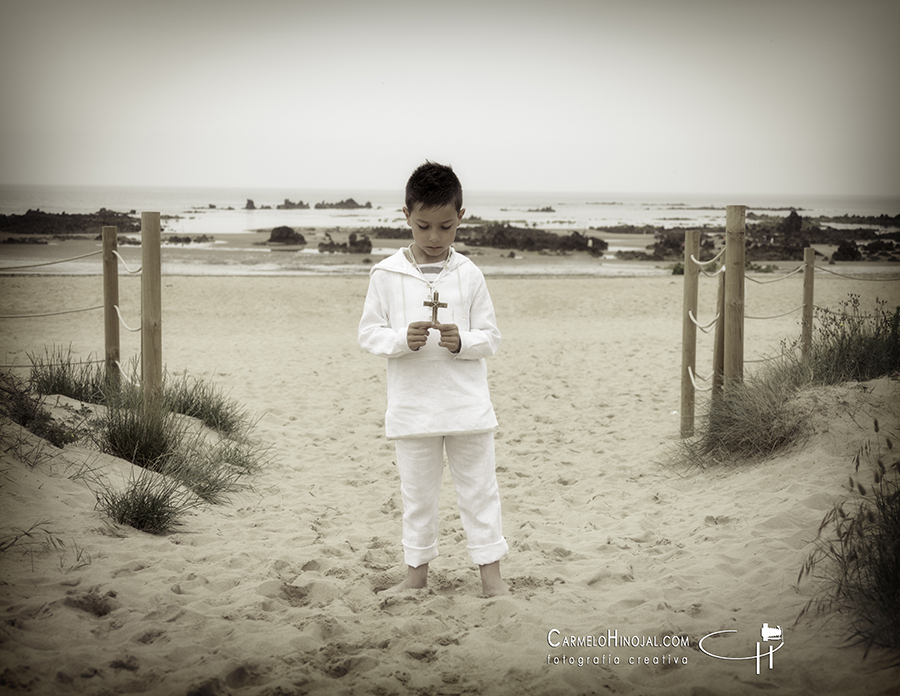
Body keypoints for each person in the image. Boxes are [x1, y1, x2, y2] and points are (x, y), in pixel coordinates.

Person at [358, 161, 509, 596]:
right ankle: (416, 576)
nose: (434, 237)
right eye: (423, 225)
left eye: (445, 226)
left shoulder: (469, 273)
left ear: (461, 217)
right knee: (418, 497)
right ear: (405, 215)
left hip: (467, 405)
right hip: (413, 406)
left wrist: (462, 341)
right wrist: (401, 340)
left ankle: (491, 579)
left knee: (480, 493)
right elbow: (369, 333)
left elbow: (492, 337)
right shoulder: (386, 274)